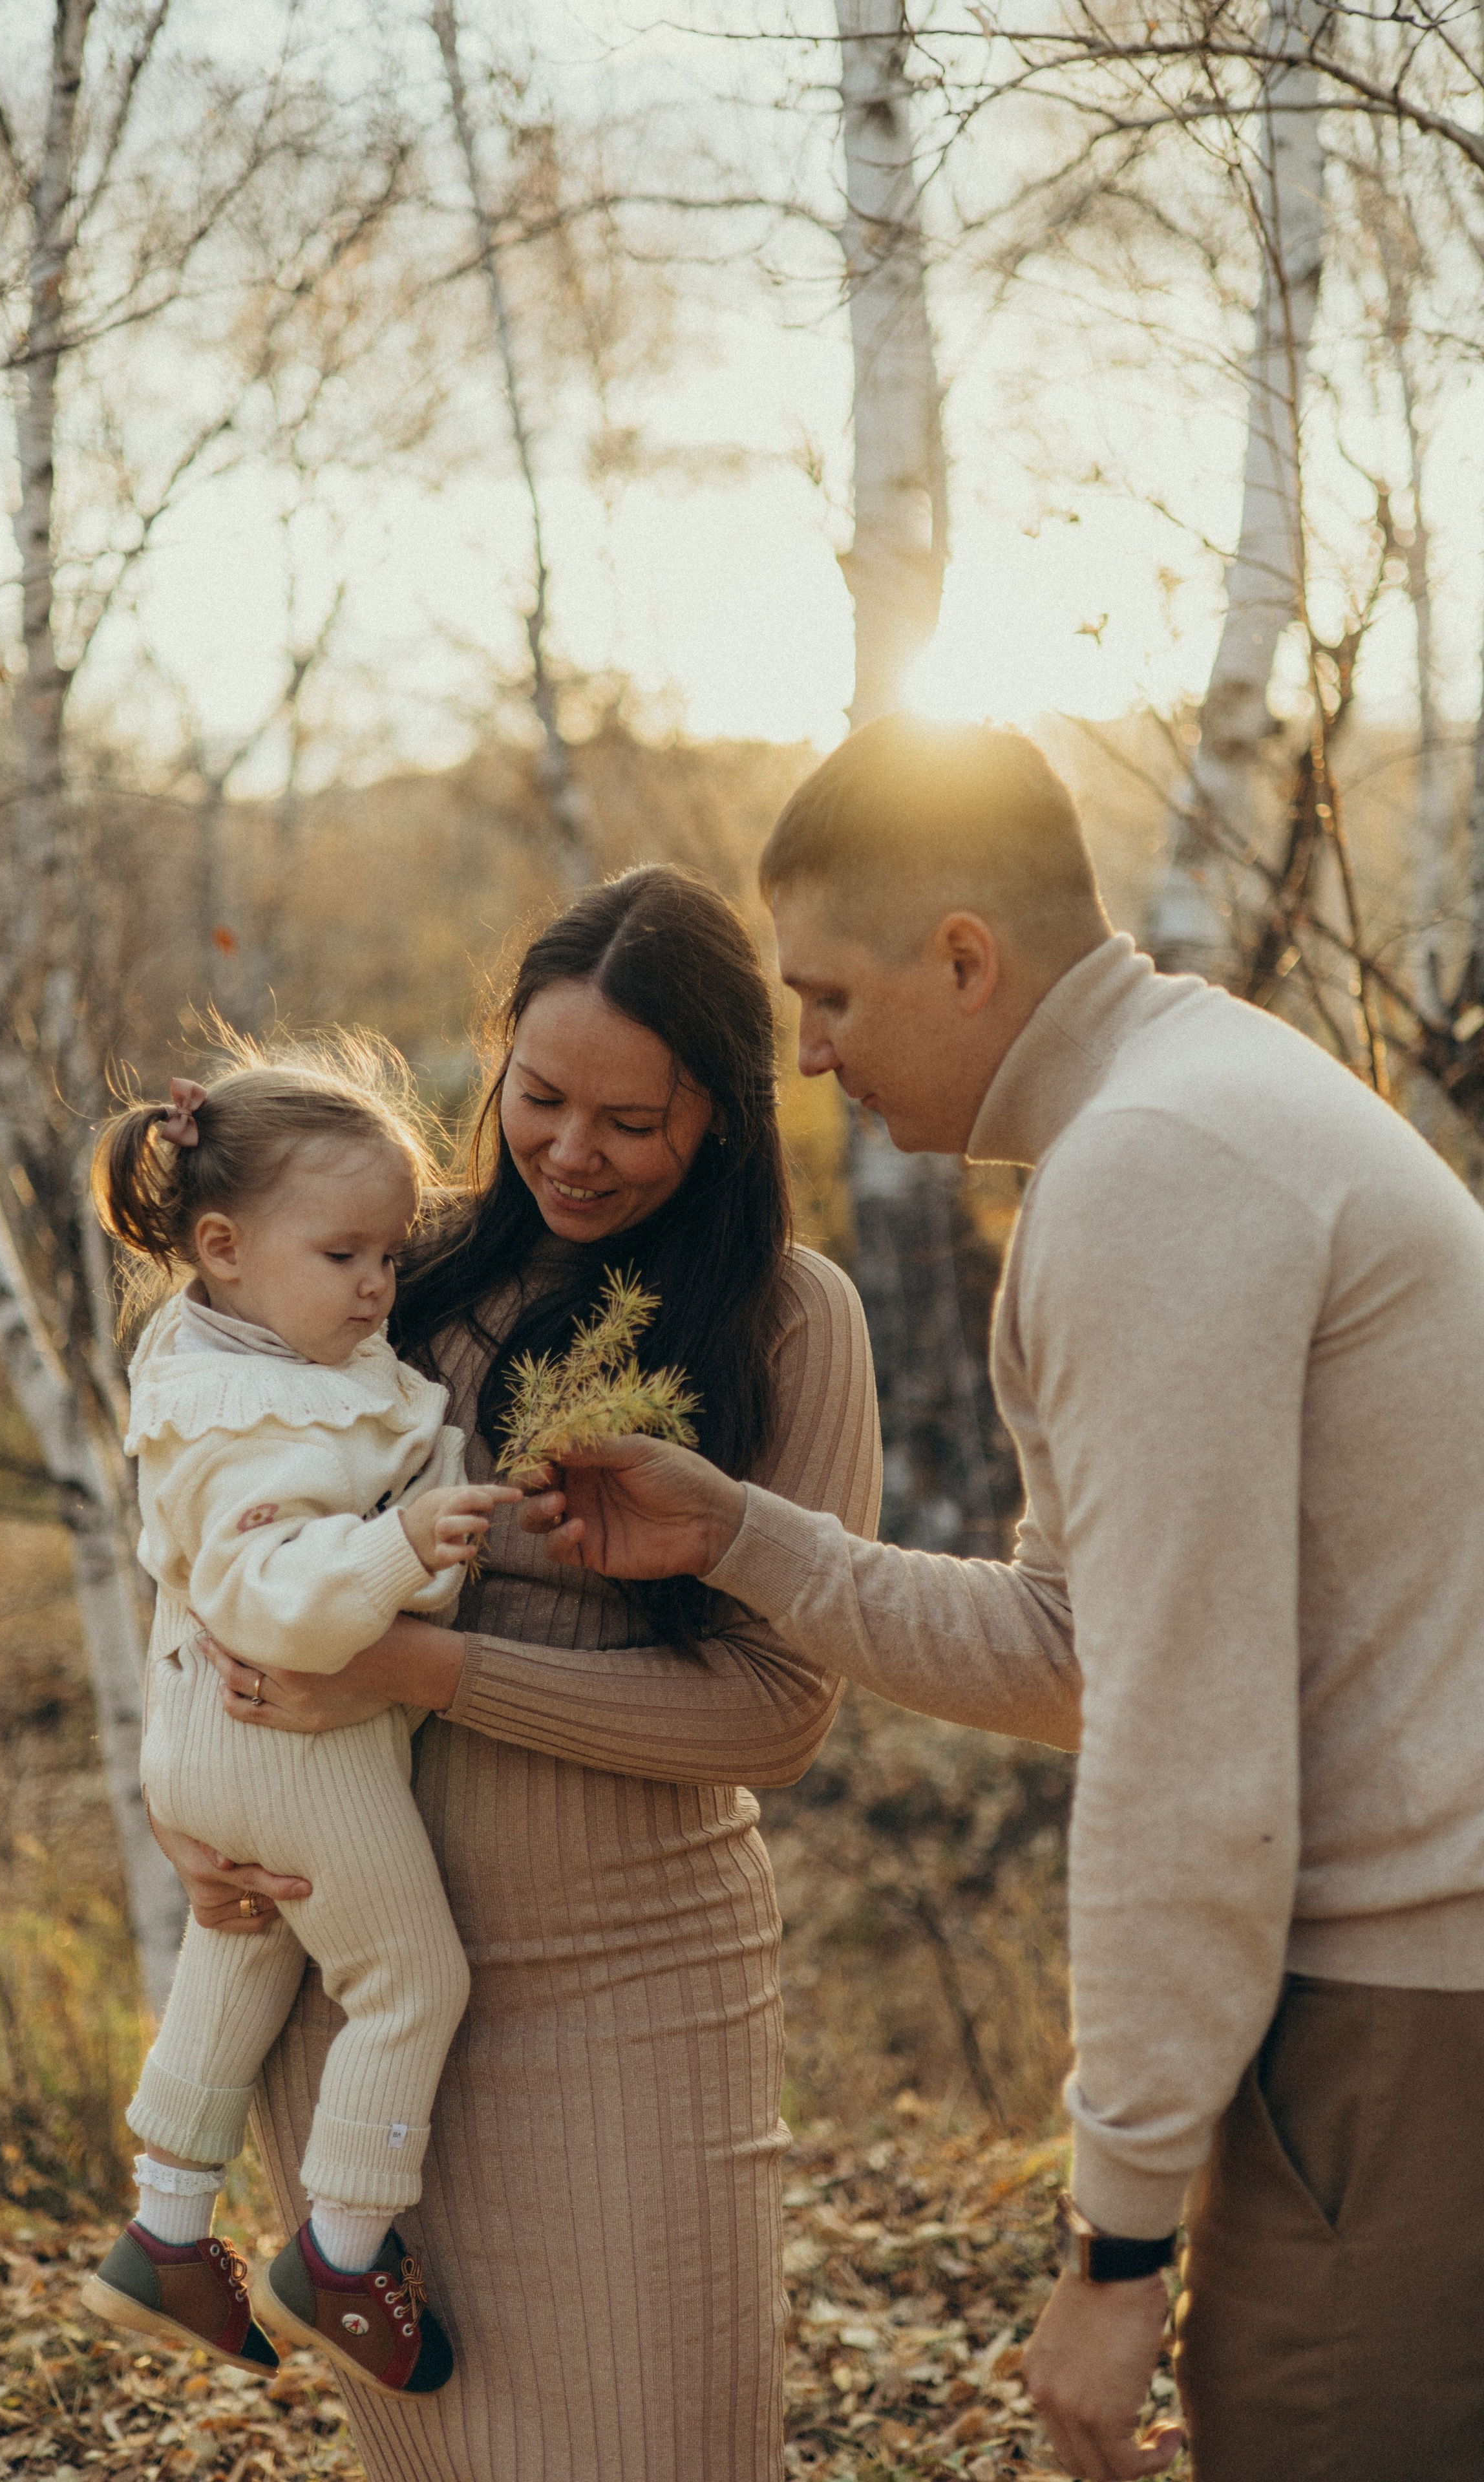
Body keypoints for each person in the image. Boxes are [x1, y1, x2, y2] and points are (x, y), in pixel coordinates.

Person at [519, 719, 1484, 2482]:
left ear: (965, 956)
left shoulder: (1155, 1174)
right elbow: (1083, 1652)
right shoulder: (1185, 1111)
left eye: (829, 998)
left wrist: (1115, 2244)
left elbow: (1184, 1745)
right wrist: (744, 1536)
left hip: (1406, 2005)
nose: (805, 1060)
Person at [147, 866, 883, 2482]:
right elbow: (200, 1541)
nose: (568, 1149)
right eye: (539, 1096)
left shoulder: (785, 1321)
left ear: (723, 1120)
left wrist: (430, 1669)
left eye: (632, 1120)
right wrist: (195, 1805)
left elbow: (778, 1715)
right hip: (359, 1998)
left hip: (635, 1986)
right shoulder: (383, 1279)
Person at [81, 1035, 517, 2397]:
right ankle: (340, 2252)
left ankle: (165, 2226)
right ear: (221, 1247)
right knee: (412, 1980)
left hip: (204, 1739)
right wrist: (408, 1549)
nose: (379, 1285)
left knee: (246, 1957)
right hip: (290, 1734)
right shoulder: (256, 1412)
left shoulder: (213, 1361)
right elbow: (274, 1598)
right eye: (345, 1257)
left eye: (389, 1254)